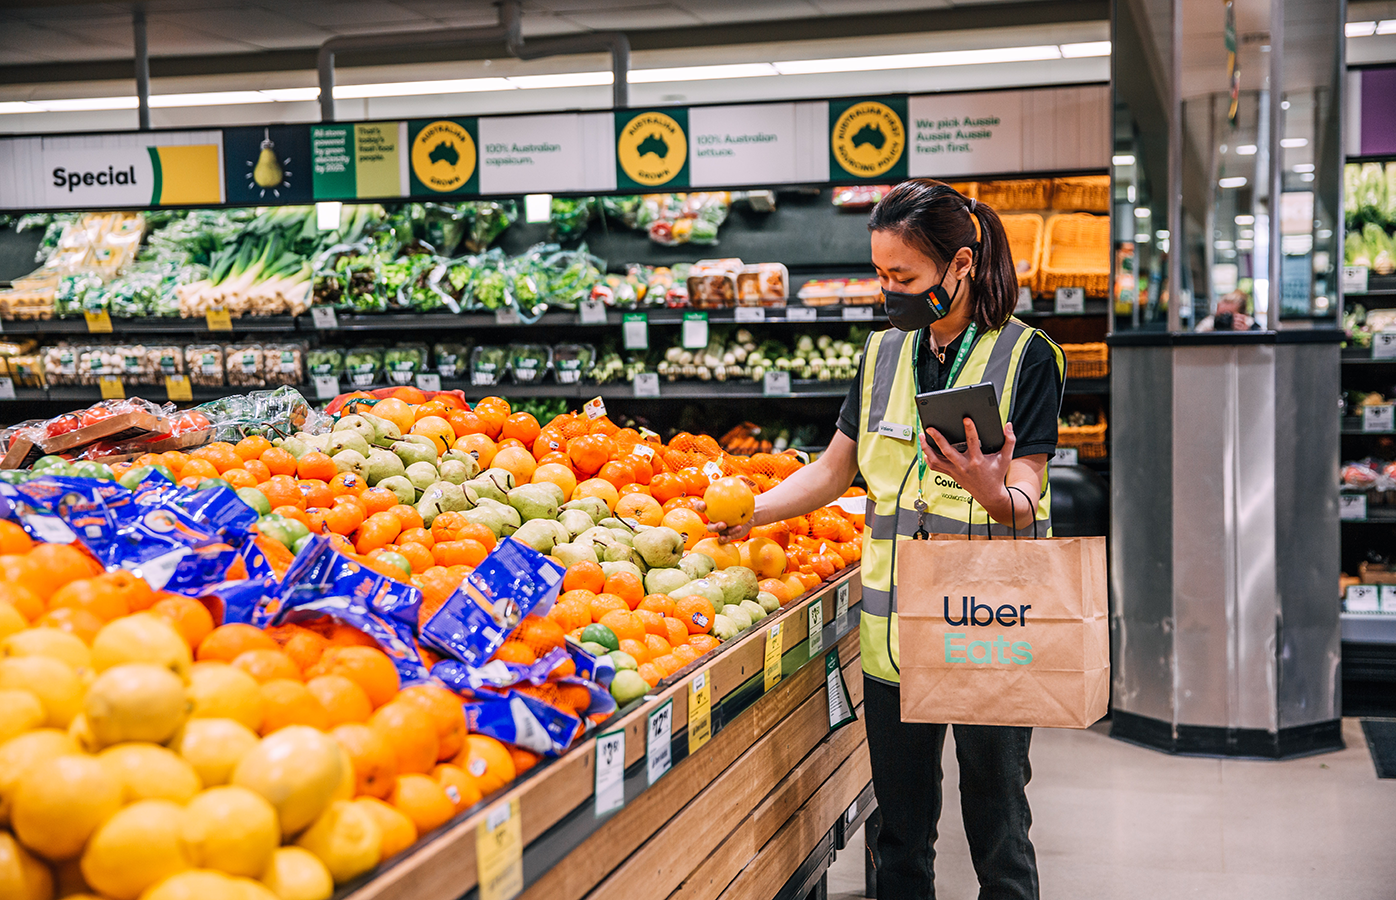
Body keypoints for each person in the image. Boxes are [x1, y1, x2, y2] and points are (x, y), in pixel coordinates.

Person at [708, 179, 1065, 899]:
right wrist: (753, 511)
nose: (888, 291)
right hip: (895, 633)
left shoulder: (1028, 356)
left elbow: (1025, 495)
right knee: (899, 835)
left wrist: (991, 489)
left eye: (903, 277)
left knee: (1000, 834)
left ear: (960, 265)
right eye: (880, 274)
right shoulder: (881, 356)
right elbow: (833, 473)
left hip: (987, 626)